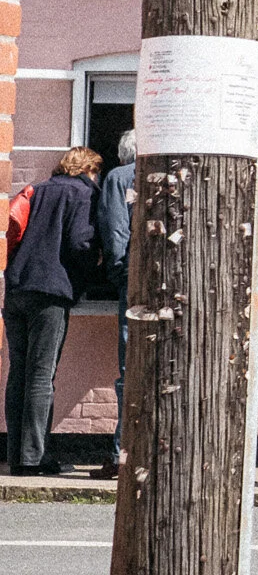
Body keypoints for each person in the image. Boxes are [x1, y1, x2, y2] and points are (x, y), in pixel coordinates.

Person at [4, 147, 101, 475]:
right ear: (89, 169)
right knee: (41, 375)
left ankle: (15, 455)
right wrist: (93, 272)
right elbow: (80, 243)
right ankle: (34, 458)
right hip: (50, 292)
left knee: (19, 373)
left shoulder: (38, 189)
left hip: (17, 288)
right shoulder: (84, 193)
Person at [93, 131, 138, 477]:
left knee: (131, 365)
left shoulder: (118, 177)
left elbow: (114, 230)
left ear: (124, 155)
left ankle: (122, 452)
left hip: (133, 278)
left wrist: (117, 271)